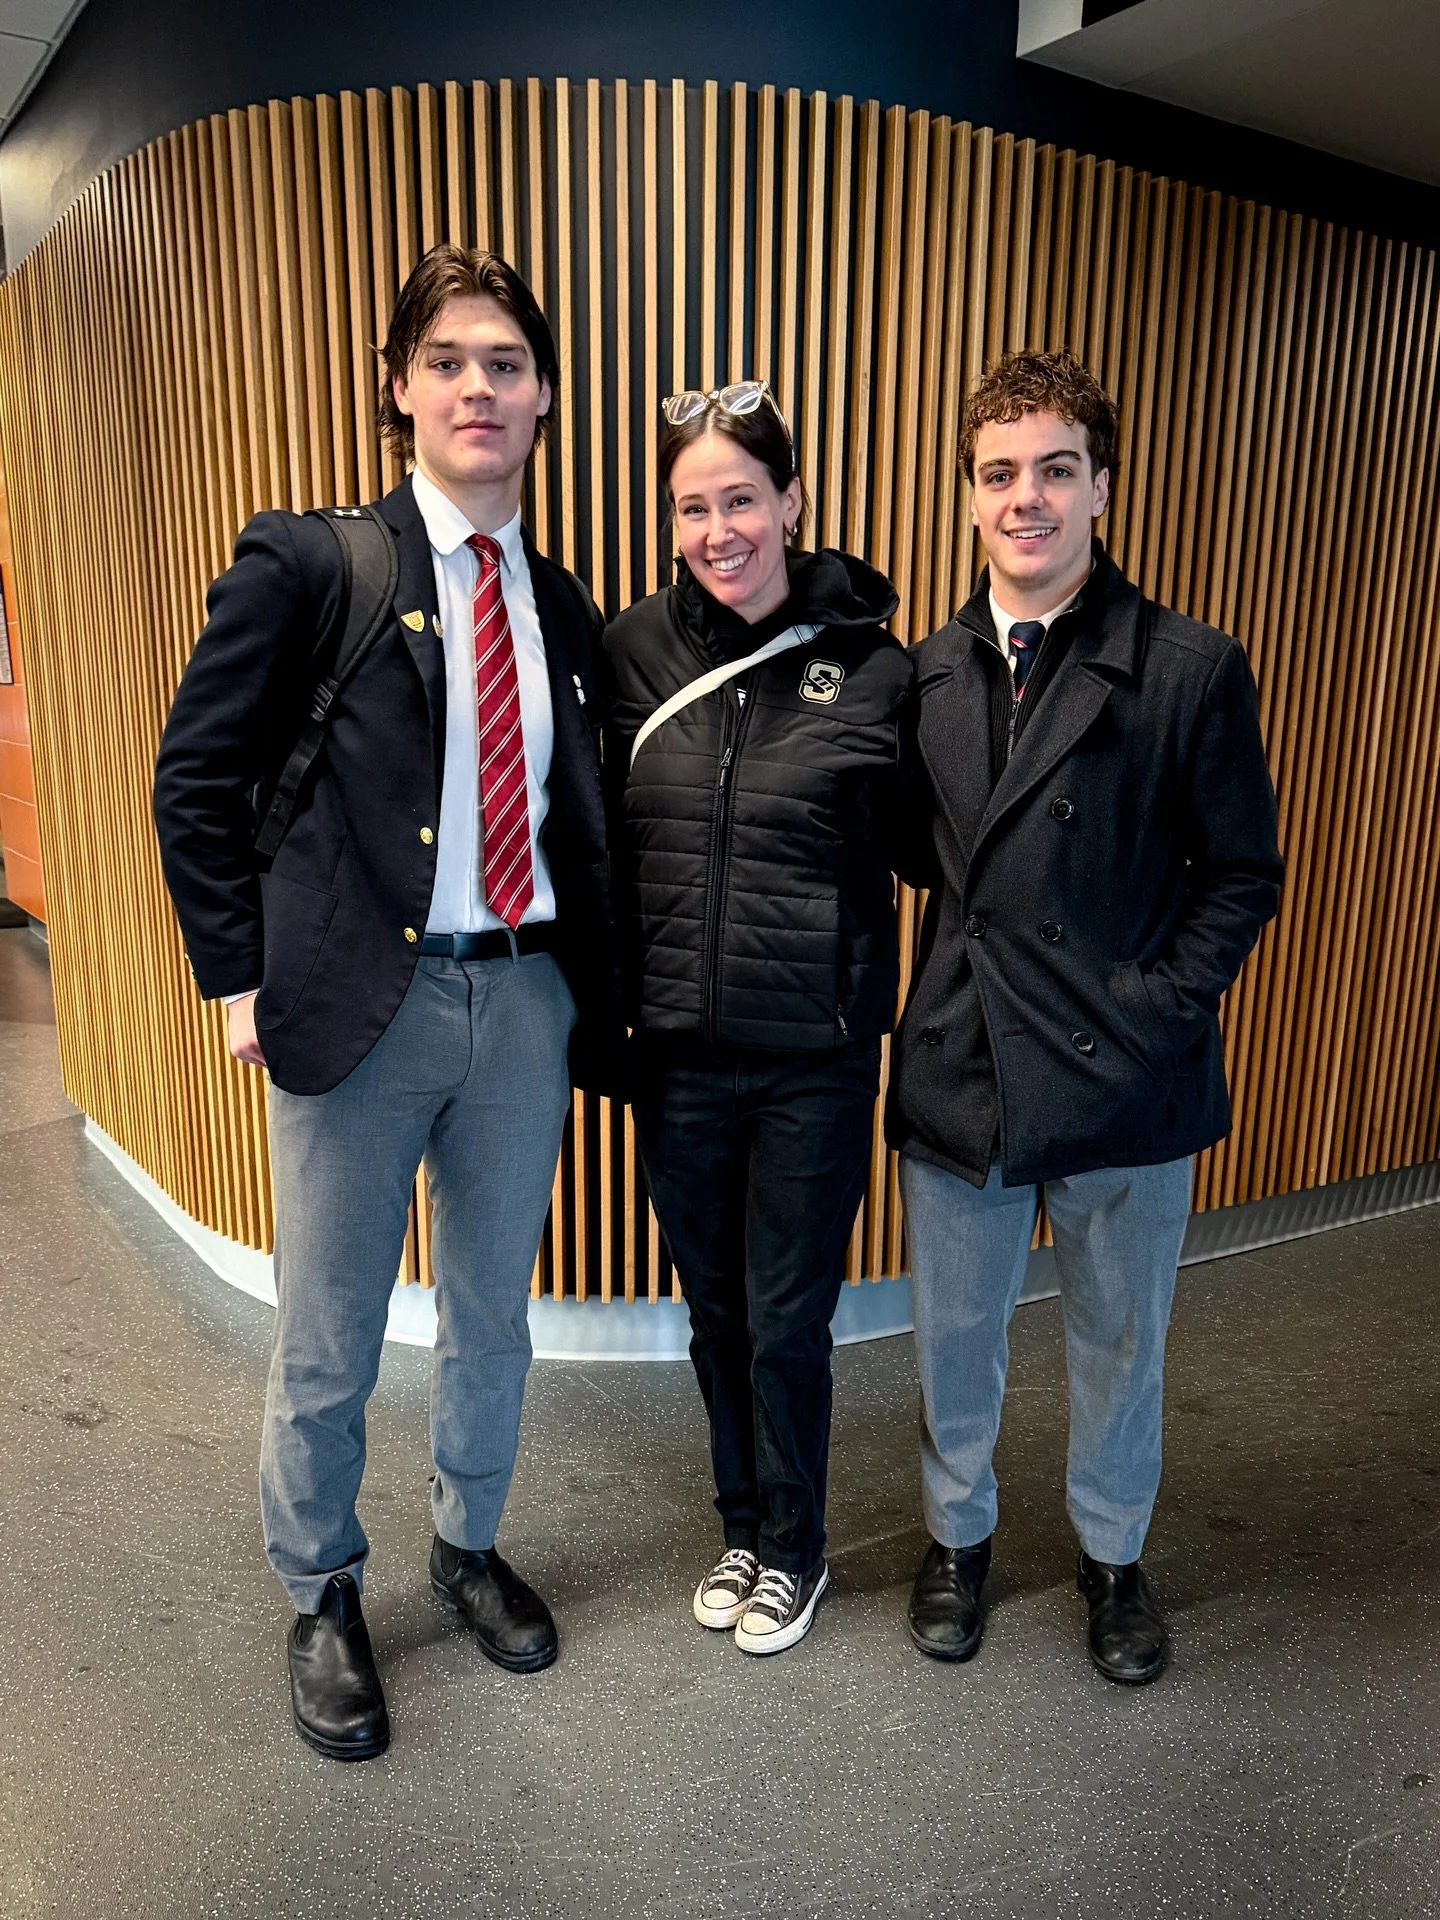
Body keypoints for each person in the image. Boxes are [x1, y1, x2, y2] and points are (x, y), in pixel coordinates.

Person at [153, 244, 619, 1759]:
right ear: (399, 390)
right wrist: (236, 971)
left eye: (506, 362)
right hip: (357, 1005)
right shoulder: (312, 562)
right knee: (329, 1328)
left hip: (523, 1002)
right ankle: (323, 1591)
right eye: (448, 360)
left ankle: (466, 1548)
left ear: (544, 397)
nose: (478, 386)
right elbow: (194, 778)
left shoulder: (560, 599)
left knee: (495, 1315)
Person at [888, 349, 1283, 1684]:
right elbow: (906, 846)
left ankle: (1114, 1558)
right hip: (969, 1059)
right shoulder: (928, 672)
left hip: (1129, 1072)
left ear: (1102, 486)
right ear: (968, 498)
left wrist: (1160, 1009)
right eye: (1000, 473)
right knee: (956, 1336)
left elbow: (1242, 876)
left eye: (1057, 469)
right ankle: (957, 1541)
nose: (1028, 498)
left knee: (1121, 1338)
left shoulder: (1187, 669)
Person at [603, 381, 917, 1654]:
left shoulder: (877, 664)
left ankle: (796, 1546)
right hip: (681, 1055)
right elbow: (598, 842)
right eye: (693, 505)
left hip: (815, 1061)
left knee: (787, 1315)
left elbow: (921, 847)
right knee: (714, 1309)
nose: (719, 527)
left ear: (792, 502)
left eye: (742, 498)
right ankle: (741, 1525)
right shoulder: (632, 652)